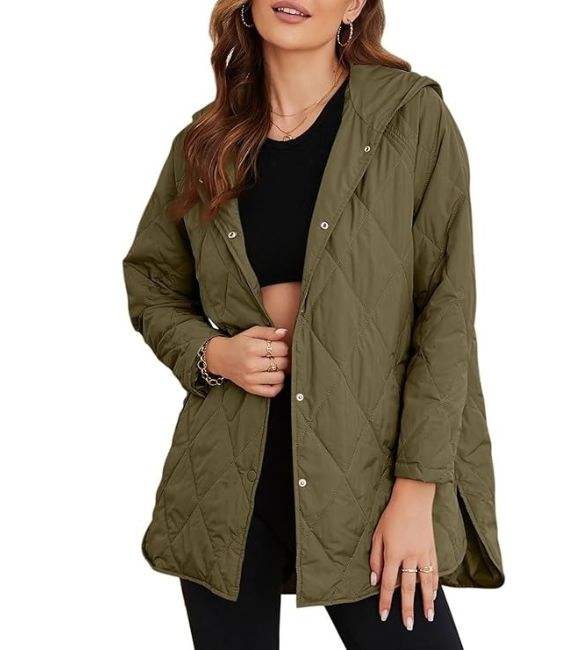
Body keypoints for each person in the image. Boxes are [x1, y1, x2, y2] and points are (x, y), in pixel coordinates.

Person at [123, 1, 504, 648]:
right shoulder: (204, 143)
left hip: (366, 472)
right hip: (228, 477)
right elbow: (151, 282)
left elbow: (445, 316)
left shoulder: (409, 117)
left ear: (354, 5)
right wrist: (212, 353)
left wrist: (416, 495)